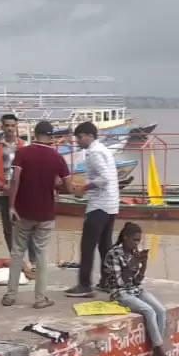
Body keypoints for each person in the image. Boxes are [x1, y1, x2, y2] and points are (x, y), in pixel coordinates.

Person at [4, 120, 71, 308]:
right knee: (41, 255)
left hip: (23, 212)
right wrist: (57, 184)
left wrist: (11, 206)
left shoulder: (22, 153)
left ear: (34, 134)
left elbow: (15, 180)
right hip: (46, 214)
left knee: (17, 253)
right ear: (50, 137)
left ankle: (10, 296)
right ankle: (40, 299)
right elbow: (68, 185)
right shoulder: (57, 157)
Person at [101, 222, 179, 356]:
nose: (136, 243)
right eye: (134, 240)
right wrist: (133, 263)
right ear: (125, 238)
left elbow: (136, 281)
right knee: (148, 311)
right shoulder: (114, 253)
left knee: (161, 310)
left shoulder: (134, 252)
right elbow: (121, 282)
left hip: (135, 289)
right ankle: (161, 353)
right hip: (119, 293)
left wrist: (143, 265)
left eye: (139, 240)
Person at [65, 121, 119, 297]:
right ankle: (107, 282)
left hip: (99, 205)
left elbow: (104, 179)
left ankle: (84, 285)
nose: (78, 141)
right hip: (111, 205)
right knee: (105, 247)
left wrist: (83, 188)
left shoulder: (94, 152)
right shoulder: (104, 150)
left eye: (80, 138)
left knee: (87, 246)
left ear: (89, 136)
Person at [0, 114, 35, 271]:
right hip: (4, 191)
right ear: (2, 127)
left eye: (12, 126)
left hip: (22, 192)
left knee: (26, 225)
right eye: (7, 125)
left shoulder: (25, 145)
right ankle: (16, 259)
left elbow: (30, 169)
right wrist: (2, 185)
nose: (10, 128)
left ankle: (33, 261)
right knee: (8, 228)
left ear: (16, 127)